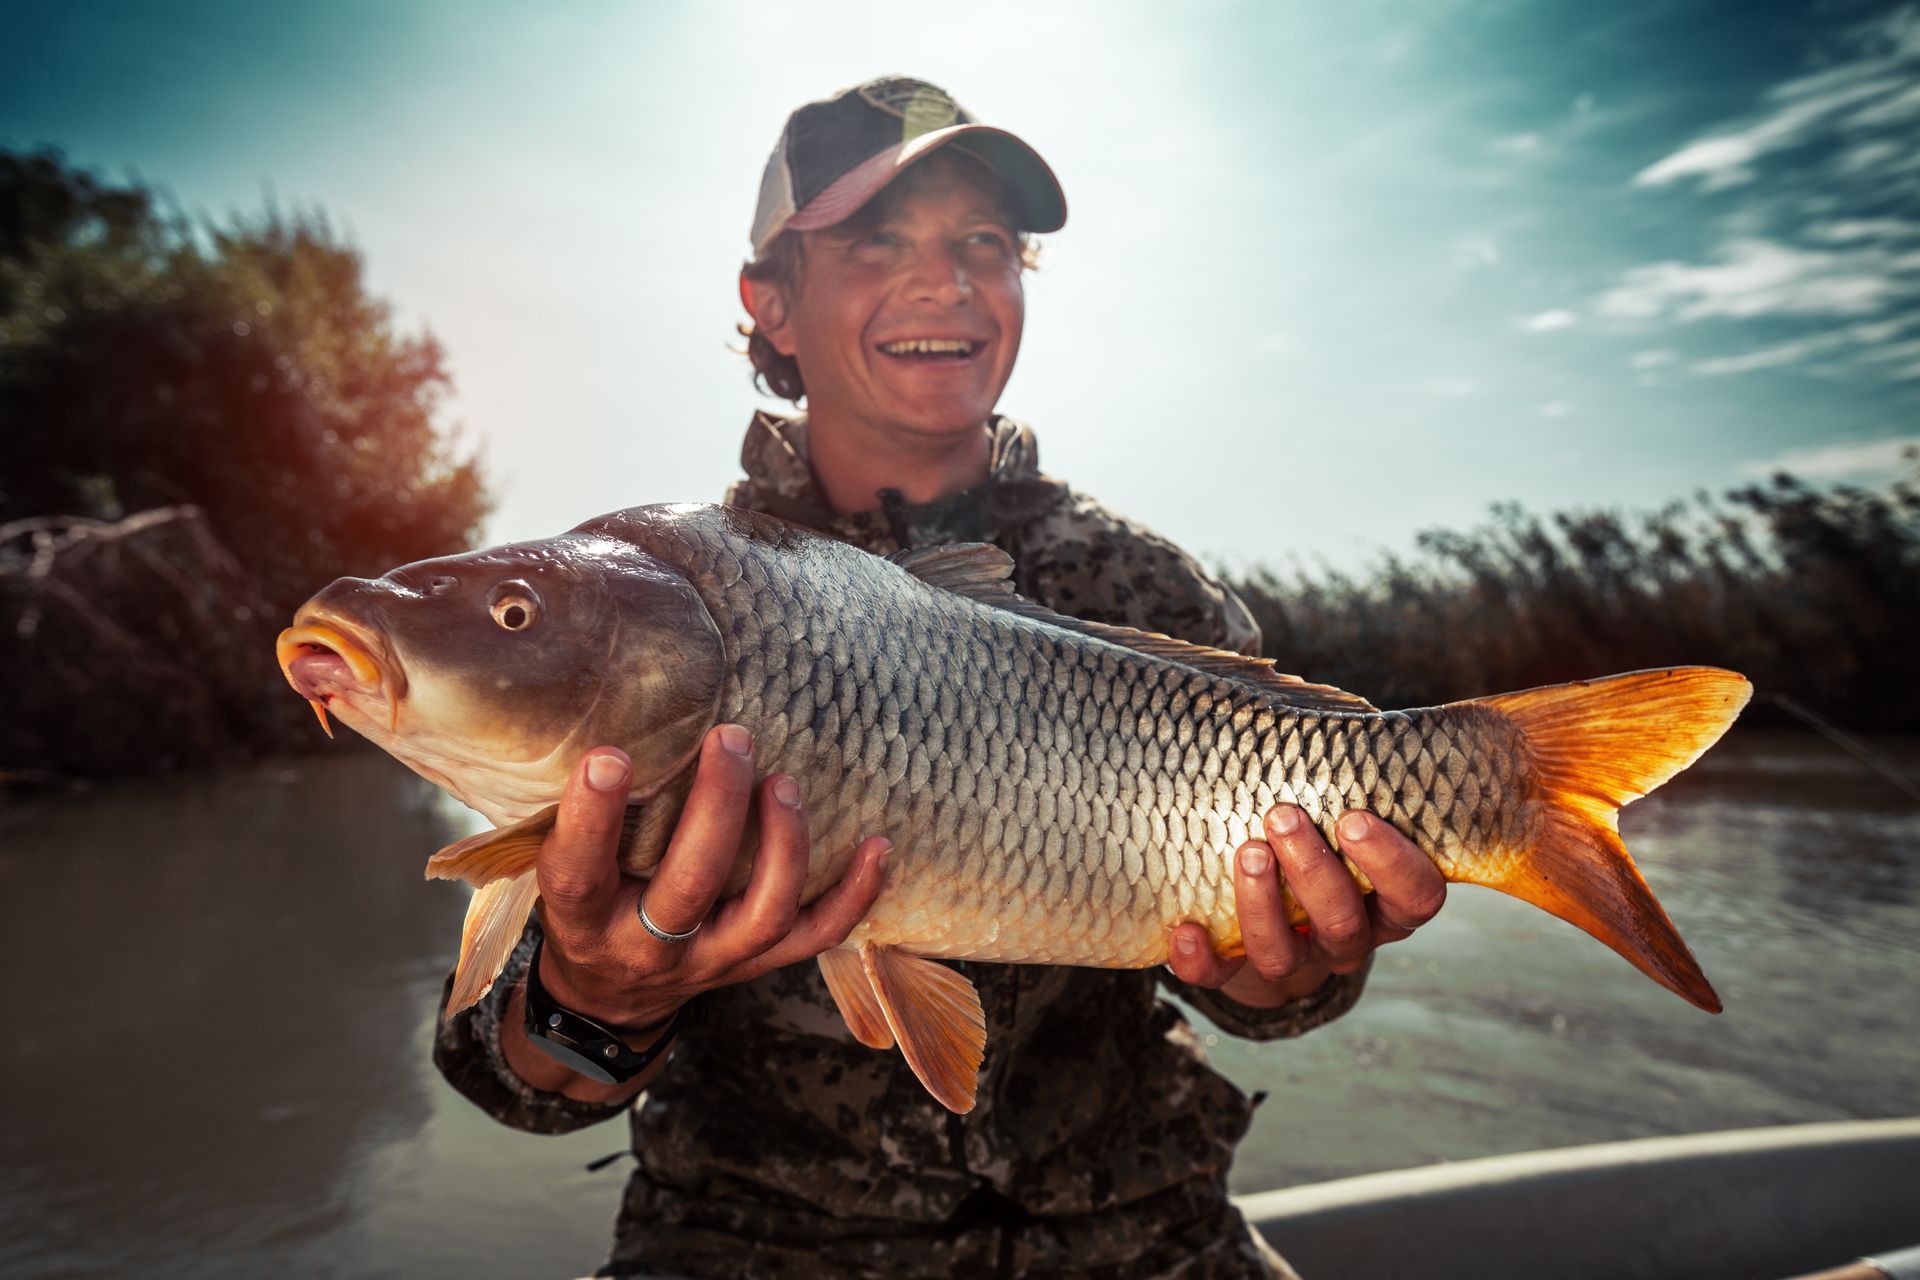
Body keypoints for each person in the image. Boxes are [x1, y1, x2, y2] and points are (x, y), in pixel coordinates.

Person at [435, 76, 1447, 1279]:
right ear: (772, 304)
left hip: (1141, 1236)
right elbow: (522, 1080)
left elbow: (1273, 1001)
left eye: (985, 243)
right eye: (877, 240)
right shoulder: (655, 599)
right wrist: (591, 993)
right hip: (749, 1246)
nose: (948, 280)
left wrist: (1301, 966)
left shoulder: (1149, 590)